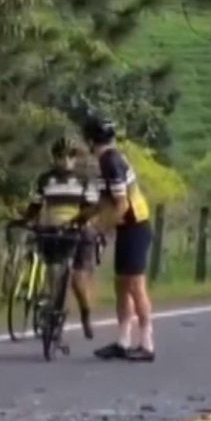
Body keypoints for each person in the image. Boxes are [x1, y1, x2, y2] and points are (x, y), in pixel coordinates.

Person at [84, 115, 156, 362]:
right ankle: (123, 341)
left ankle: (147, 344)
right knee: (121, 287)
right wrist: (81, 219)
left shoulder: (110, 162)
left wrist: (100, 230)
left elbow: (122, 205)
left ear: (90, 140)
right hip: (128, 228)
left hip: (135, 226)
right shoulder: (108, 160)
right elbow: (104, 201)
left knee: (136, 286)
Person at [20, 136, 100, 340]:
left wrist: (79, 222)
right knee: (54, 271)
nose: (66, 161)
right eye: (61, 157)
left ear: (75, 158)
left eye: (70, 156)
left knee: (77, 279)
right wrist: (27, 221)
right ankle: (52, 313)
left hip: (78, 231)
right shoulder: (46, 179)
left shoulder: (83, 180)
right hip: (54, 230)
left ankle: (85, 314)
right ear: (54, 158)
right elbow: (36, 205)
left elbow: (91, 207)